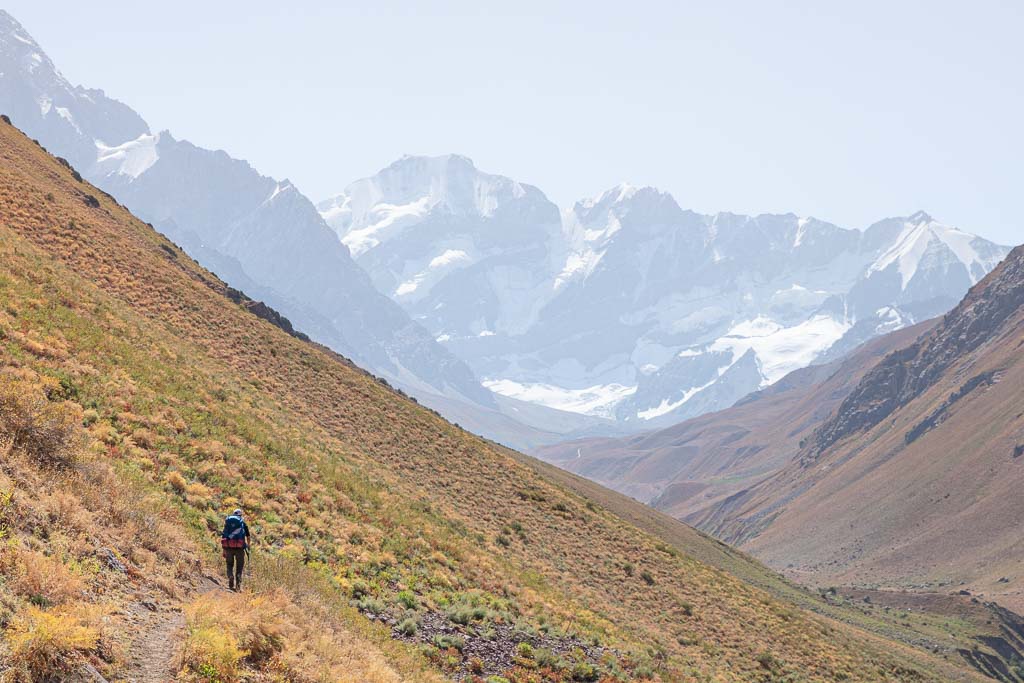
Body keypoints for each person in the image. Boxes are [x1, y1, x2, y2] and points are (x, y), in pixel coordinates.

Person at [221, 508, 250, 591]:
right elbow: (248, 536)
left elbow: (224, 535)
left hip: (228, 547)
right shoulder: (242, 523)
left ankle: (230, 576)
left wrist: (224, 549)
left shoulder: (228, 522)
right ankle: (238, 586)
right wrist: (248, 545)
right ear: (240, 515)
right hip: (240, 548)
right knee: (239, 567)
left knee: (229, 564)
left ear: (233, 514)